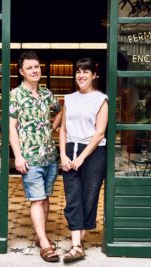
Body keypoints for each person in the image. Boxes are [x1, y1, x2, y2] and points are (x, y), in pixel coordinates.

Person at [9, 51, 62, 262]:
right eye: (30, 67)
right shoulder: (15, 96)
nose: (35, 70)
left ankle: (43, 238)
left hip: (50, 156)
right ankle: (44, 244)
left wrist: (52, 128)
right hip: (30, 159)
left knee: (45, 198)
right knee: (37, 200)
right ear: (21, 71)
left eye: (37, 66)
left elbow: (60, 110)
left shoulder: (46, 94)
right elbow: (11, 128)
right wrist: (18, 156)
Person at [59, 57, 108, 263]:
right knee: (72, 197)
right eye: (78, 71)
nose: (81, 75)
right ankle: (77, 245)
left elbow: (99, 133)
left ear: (94, 75)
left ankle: (77, 244)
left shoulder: (101, 99)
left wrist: (80, 157)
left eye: (85, 71)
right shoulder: (69, 99)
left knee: (89, 196)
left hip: (93, 152)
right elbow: (63, 129)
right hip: (70, 148)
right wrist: (63, 154)